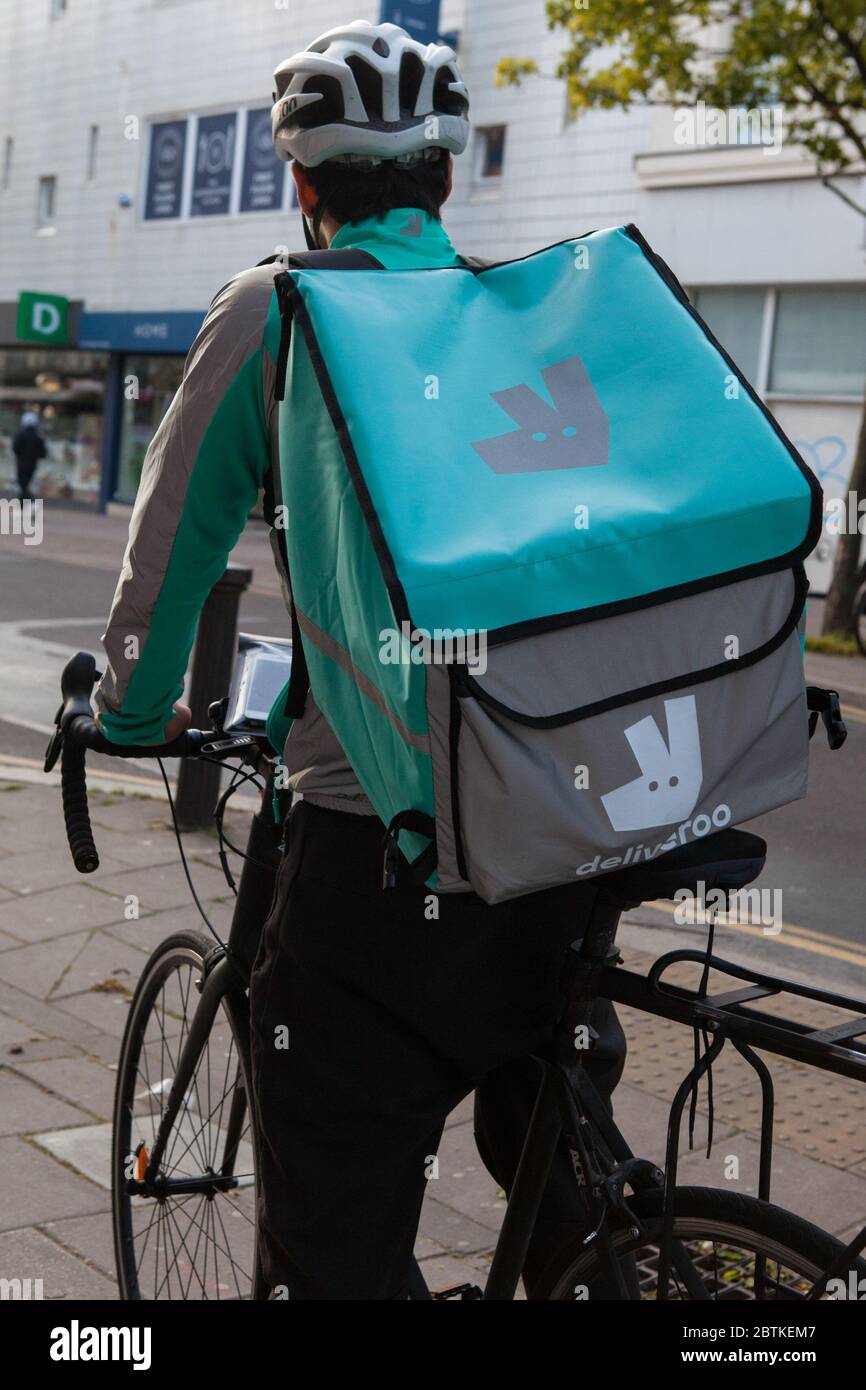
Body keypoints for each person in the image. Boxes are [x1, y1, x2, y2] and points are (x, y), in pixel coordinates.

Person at [95, 18, 626, 1300]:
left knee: (334, 1220)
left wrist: (124, 713)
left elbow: (172, 552)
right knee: (558, 1164)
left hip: (372, 850)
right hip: (567, 826)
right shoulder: (522, 314)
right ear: (446, 181)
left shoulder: (280, 314)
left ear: (302, 187)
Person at [12, 410, 47, 502]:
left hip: (21, 463)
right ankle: (22, 505)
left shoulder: (20, 435)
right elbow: (43, 453)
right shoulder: (38, 437)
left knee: (22, 485)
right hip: (32, 465)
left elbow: (15, 449)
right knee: (25, 484)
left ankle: (32, 501)